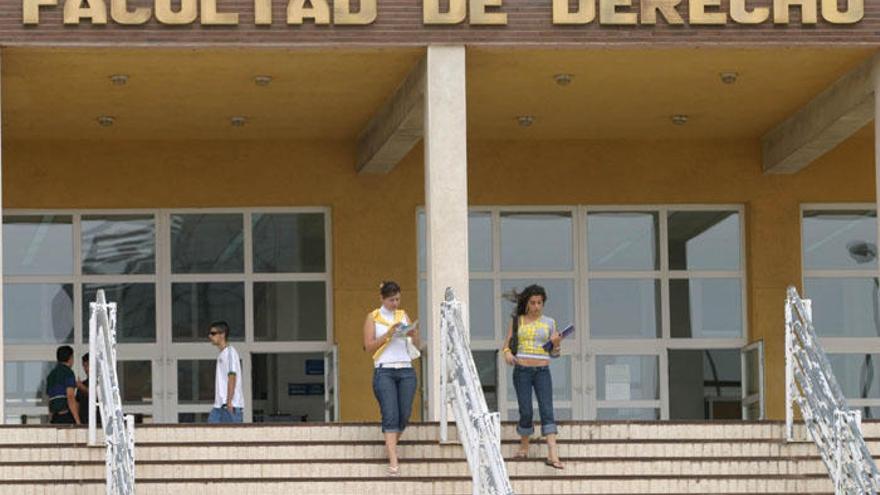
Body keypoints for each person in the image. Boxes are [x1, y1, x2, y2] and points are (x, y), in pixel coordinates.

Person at [502, 284, 564, 469]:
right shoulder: (517, 321)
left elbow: (554, 354)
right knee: (526, 409)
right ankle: (524, 444)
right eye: (533, 303)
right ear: (526, 303)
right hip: (522, 370)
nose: (536, 306)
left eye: (540, 303)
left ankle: (553, 453)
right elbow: (506, 344)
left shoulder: (550, 323)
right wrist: (507, 353)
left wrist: (556, 344)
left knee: (547, 409)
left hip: (542, 371)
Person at [363, 281, 420, 476]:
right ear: (382, 298)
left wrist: (412, 333)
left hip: (405, 369)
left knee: (404, 414)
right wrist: (388, 334)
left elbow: (417, 344)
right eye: (391, 300)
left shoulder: (402, 315)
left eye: (397, 299)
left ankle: (390, 446)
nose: (395, 303)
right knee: (390, 414)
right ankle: (393, 458)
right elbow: (368, 346)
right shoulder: (373, 317)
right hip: (384, 370)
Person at [208, 321, 244, 423]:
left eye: (213, 333)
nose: (210, 336)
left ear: (222, 334)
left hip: (229, 406)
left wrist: (229, 401)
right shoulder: (222, 354)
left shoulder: (230, 353)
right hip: (219, 406)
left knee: (231, 438)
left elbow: (232, 376)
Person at [46, 345, 81, 425]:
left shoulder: (51, 375)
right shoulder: (68, 373)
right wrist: (78, 421)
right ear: (70, 358)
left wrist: (50, 419)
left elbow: (50, 399)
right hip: (66, 416)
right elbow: (70, 397)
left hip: (55, 417)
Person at [76, 353, 91, 425]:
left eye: (88, 365)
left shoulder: (102, 383)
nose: (86, 369)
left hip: (99, 425)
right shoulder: (83, 384)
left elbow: (97, 396)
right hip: (83, 424)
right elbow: (77, 403)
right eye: (84, 366)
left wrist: (82, 388)